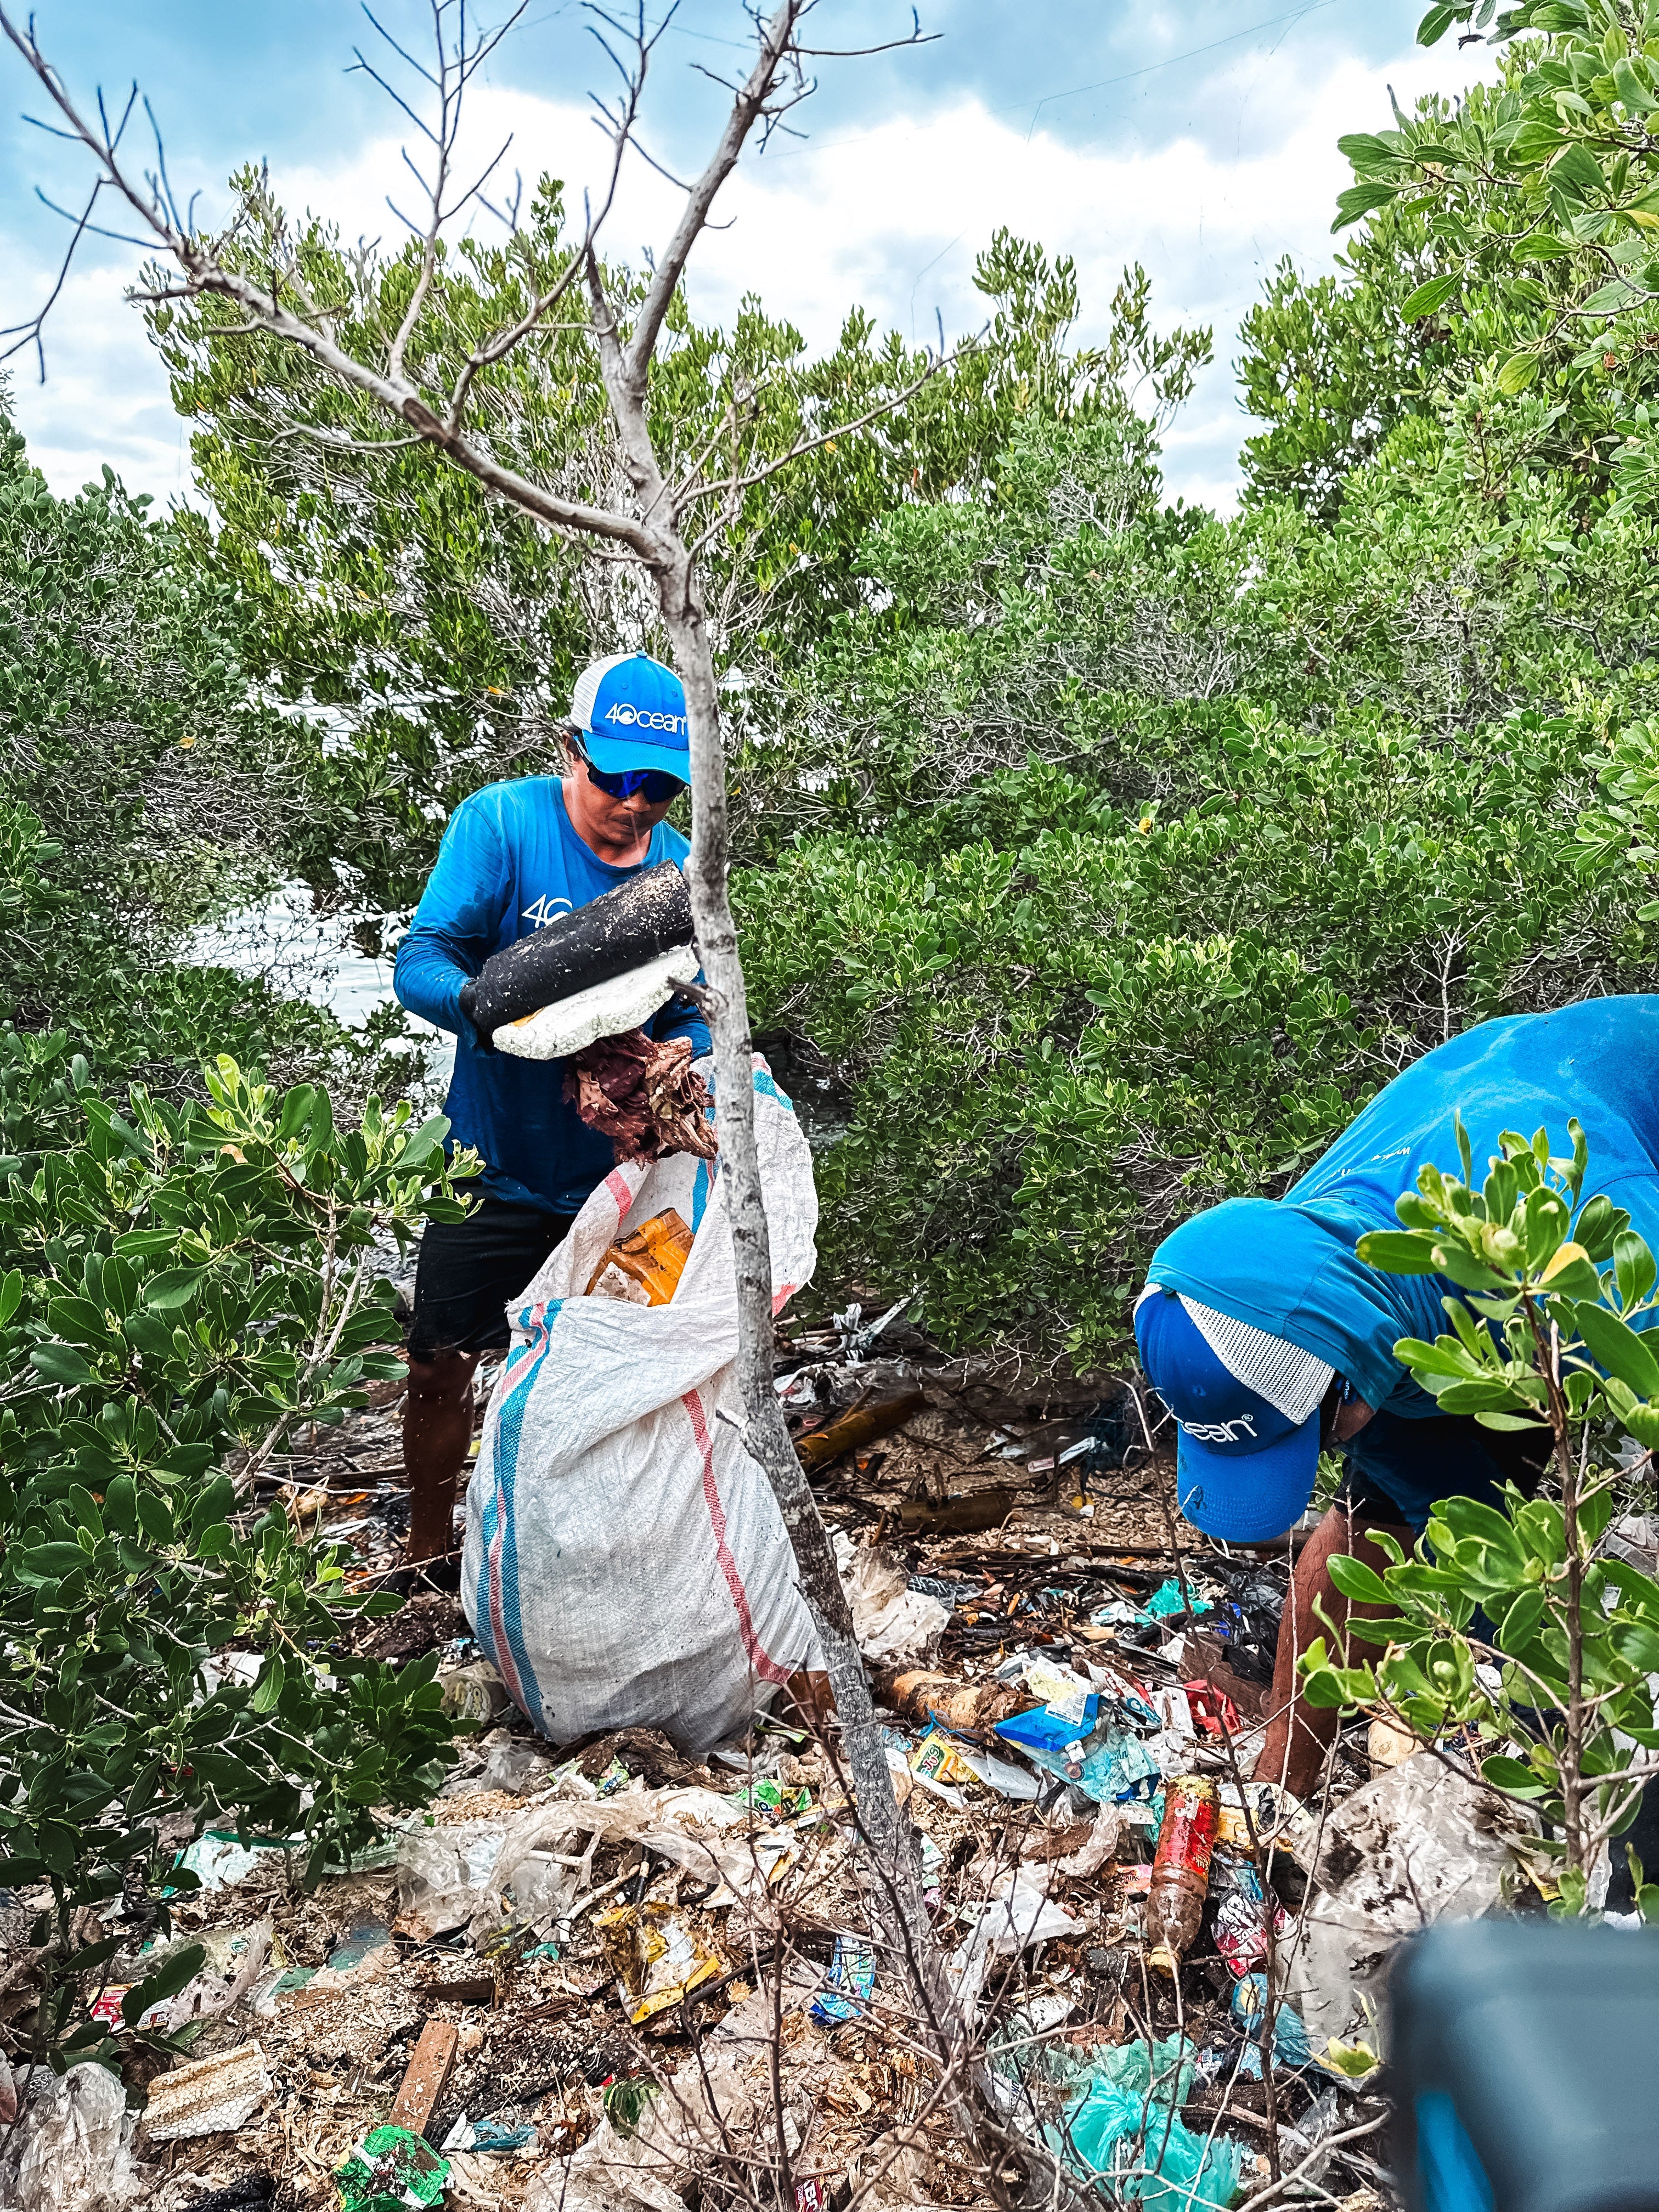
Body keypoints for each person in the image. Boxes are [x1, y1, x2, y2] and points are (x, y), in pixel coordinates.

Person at [1134, 995, 1659, 1796]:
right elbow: (1427, 1519)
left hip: (1584, 1154)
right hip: (1447, 1291)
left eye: (1316, 1433)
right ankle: (1280, 1804)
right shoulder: (1283, 1271)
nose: (1323, 1454)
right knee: (1397, 1536)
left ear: (1350, 1375)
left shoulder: (1597, 1256)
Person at [392, 652, 709, 1575]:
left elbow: (691, 1002)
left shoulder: (680, 867)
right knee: (439, 1363)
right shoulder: (501, 823)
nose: (638, 802)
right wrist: (490, 1010)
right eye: (619, 777)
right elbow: (423, 959)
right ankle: (425, 1545)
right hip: (489, 1160)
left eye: (661, 785)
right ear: (573, 749)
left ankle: (575, 1555)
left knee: (607, 1371)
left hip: (619, 1179)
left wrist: (683, 1056)